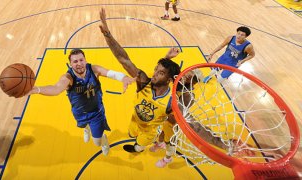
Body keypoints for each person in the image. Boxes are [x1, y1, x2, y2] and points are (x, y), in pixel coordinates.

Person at [99, 8, 181, 154]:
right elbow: (124, 60)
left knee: (139, 145)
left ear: (169, 80)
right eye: (156, 70)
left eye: (159, 72)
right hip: (135, 120)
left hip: (149, 131)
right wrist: (107, 34)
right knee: (131, 134)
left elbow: (177, 121)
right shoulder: (145, 82)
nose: (154, 74)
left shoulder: (171, 100)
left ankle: (140, 148)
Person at [27, 48, 135, 156]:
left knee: (97, 142)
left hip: (96, 112)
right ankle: (87, 129)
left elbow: (111, 73)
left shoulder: (94, 69)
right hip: (79, 113)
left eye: (81, 60)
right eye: (75, 61)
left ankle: (103, 141)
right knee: (84, 126)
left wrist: (123, 77)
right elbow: (56, 89)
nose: (79, 64)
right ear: (70, 64)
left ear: (85, 60)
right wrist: (37, 89)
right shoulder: (68, 77)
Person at [151, 69, 255, 167]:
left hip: (175, 122)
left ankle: (167, 159)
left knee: (174, 140)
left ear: (194, 82)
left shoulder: (188, 96)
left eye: (189, 76)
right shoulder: (175, 84)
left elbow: (180, 115)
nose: (185, 76)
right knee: (162, 134)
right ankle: (159, 144)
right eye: (186, 74)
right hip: (167, 119)